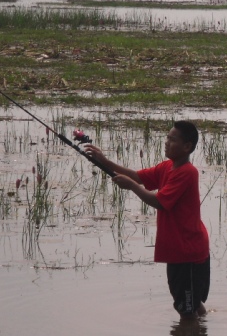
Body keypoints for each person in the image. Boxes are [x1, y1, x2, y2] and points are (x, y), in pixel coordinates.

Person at [85, 120, 210, 318]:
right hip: (180, 251)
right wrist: (104, 161)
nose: (167, 142)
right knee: (189, 304)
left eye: (173, 139)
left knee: (187, 309)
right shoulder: (167, 167)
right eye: (167, 138)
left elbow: (159, 201)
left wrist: (132, 187)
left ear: (187, 147)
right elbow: (138, 176)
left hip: (189, 253)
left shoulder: (187, 172)